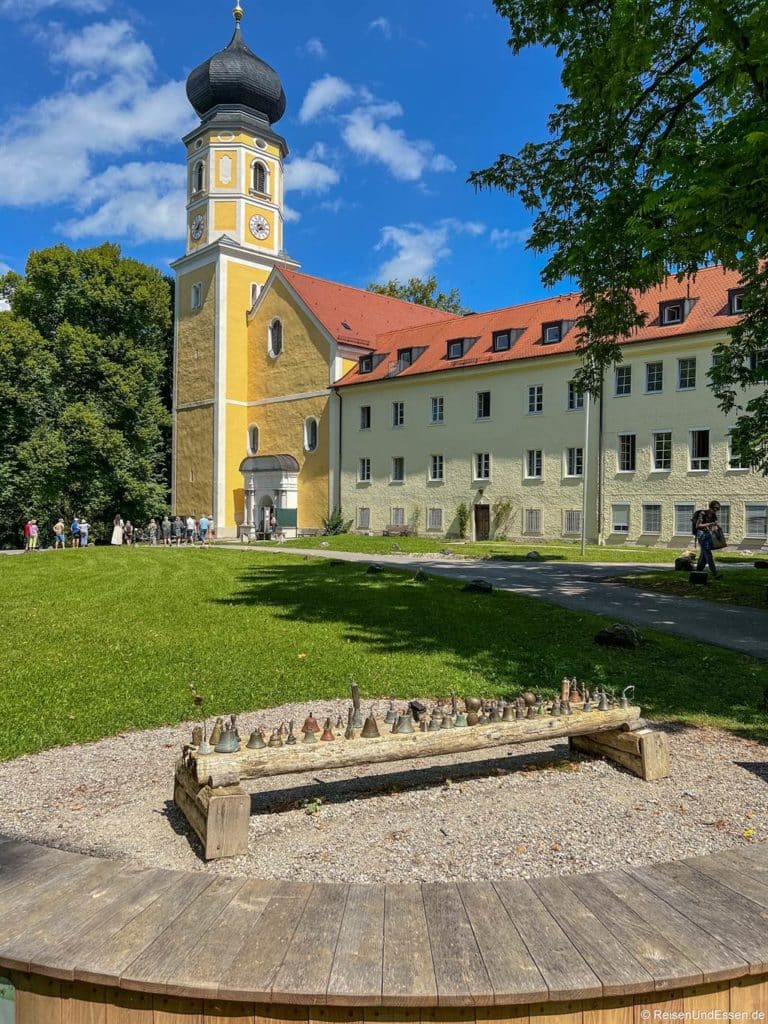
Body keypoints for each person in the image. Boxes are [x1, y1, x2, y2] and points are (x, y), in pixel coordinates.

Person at [693, 500, 722, 577]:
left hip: (708, 535)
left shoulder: (714, 515)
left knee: (704, 554)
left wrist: (717, 529)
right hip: (701, 535)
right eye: (715, 509)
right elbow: (698, 526)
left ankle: (698, 571)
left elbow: (714, 526)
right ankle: (715, 573)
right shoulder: (702, 513)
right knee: (708, 553)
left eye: (718, 509)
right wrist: (709, 524)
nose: (716, 511)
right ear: (711, 507)